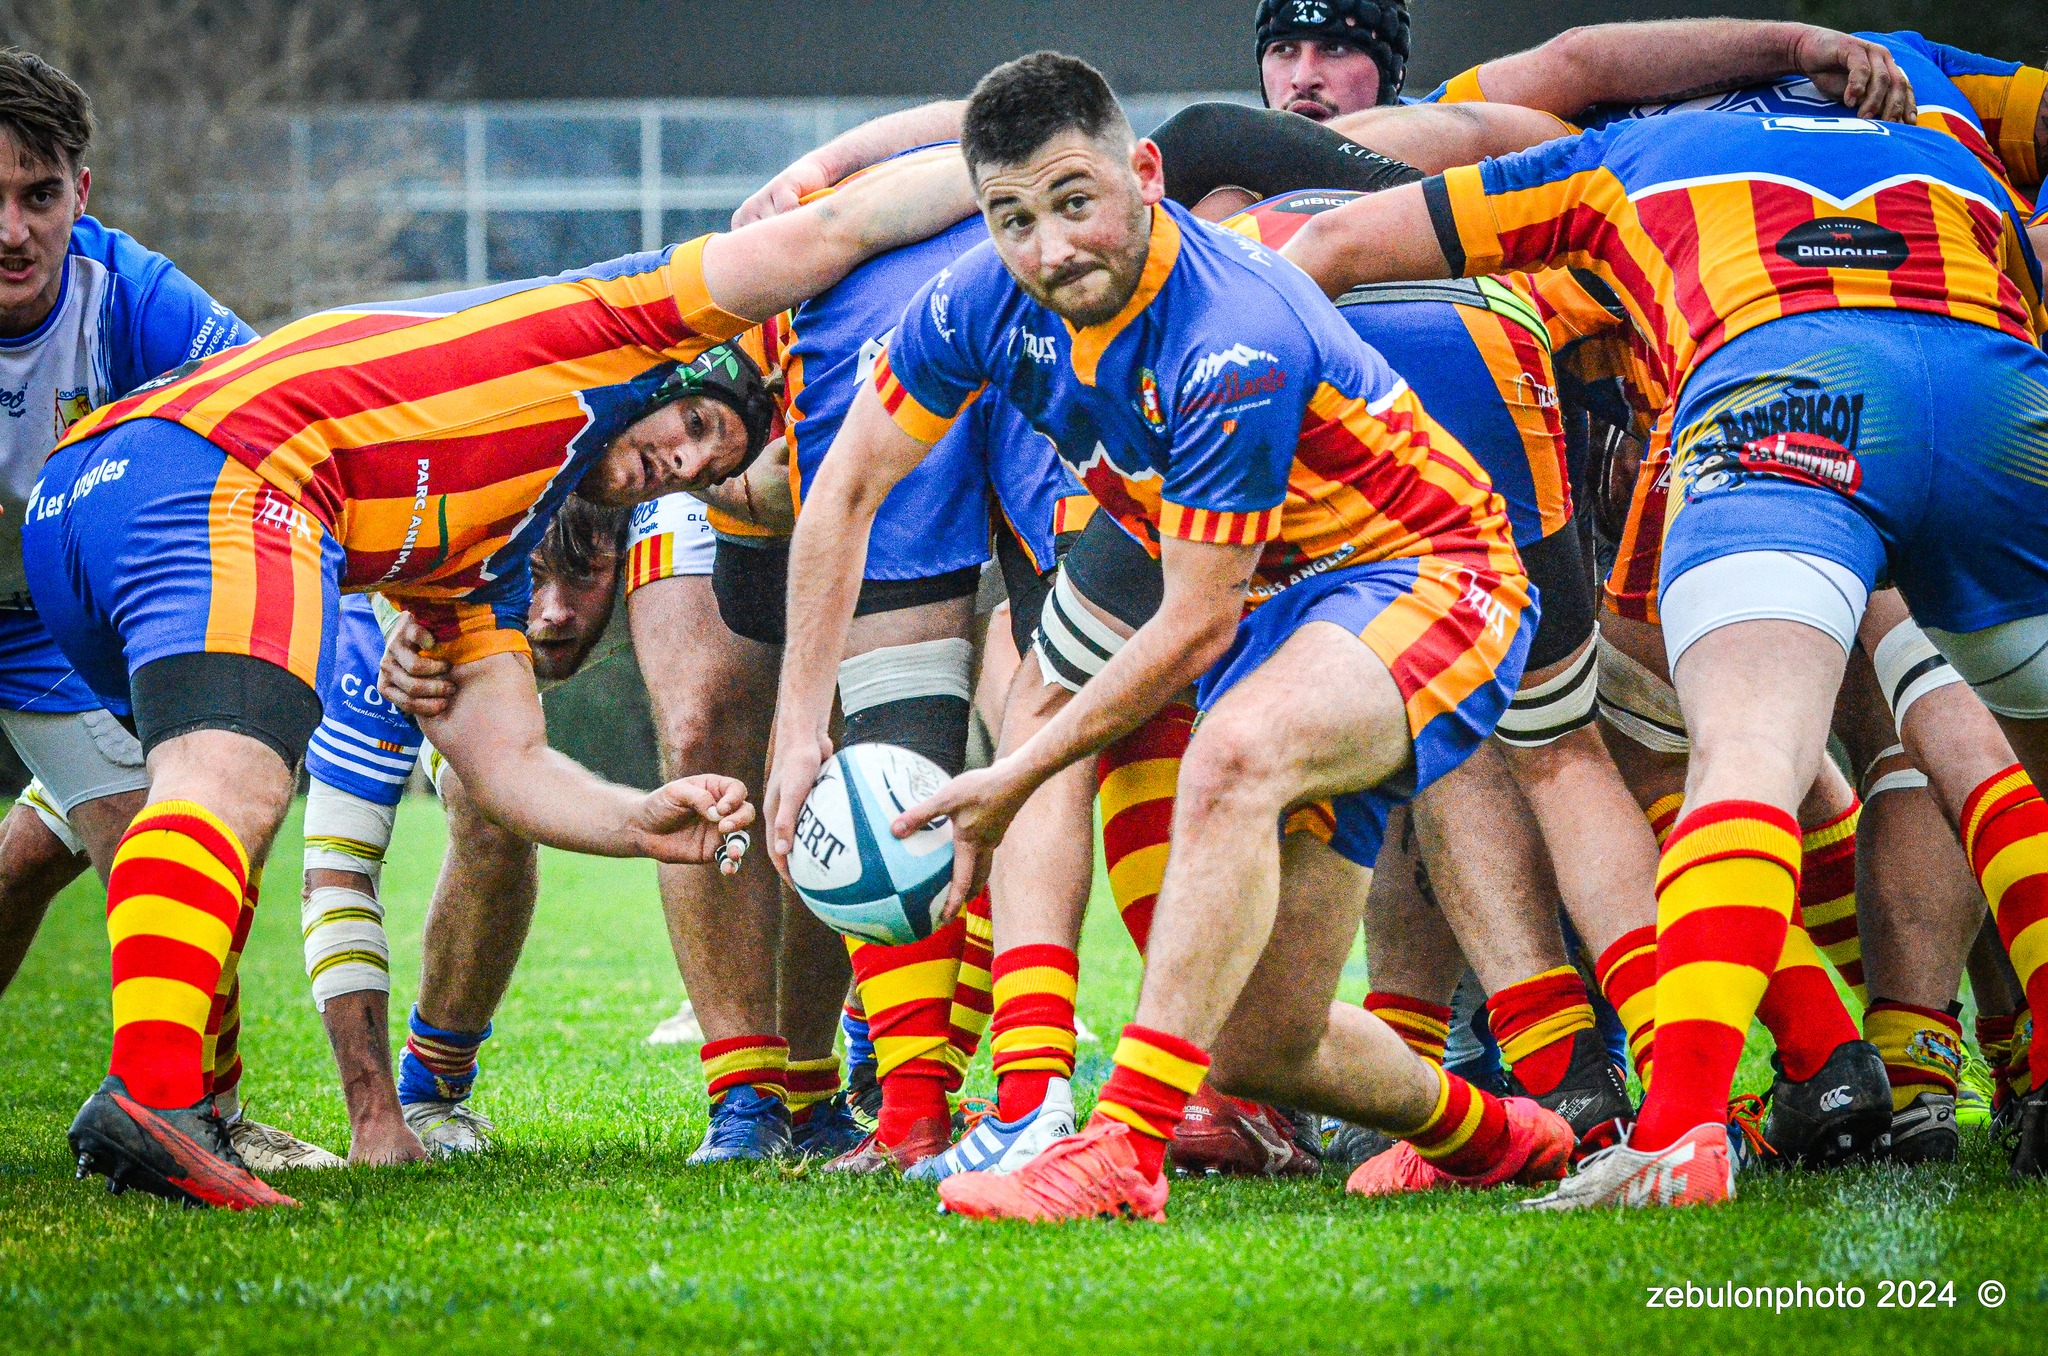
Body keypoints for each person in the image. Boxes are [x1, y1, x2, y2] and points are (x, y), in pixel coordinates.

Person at [25, 150, 979, 1209]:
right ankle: (157, 1100)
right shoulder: (613, 322)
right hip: (222, 470)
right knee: (229, 790)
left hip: (78, 510)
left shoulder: (481, 564)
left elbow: (509, 767)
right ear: (676, 375)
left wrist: (637, 821)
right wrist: (1003, 171)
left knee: (195, 816)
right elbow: (840, 226)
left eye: (710, 471)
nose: (685, 464)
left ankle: (184, 1102)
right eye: (697, 428)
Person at [766, 52, 1574, 1223]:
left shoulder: (1227, 333)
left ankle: (1118, 1150)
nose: (1049, 248)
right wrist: (798, 730)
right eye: (1012, 219)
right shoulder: (975, 302)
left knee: (1228, 751)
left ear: (1145, 173)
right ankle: (1504, 1140)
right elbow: (841, 494)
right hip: (1283, 611)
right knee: (1262, 1042)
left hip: (1429, 576)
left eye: (1074, 201)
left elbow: (1194, 623)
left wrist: (1012, 776)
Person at [1284, 97, 2048, 1199]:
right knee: (1985, 757)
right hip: (1999, 397)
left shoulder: (1621, 153)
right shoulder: (1948, 145)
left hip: (1782, 394)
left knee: (1740, 758)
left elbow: (1337, 237)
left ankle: (1680, 1129)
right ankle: (1964, 1058)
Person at [0, 48, 341, 1171]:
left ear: (81, 192)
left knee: (163, 833)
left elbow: (270, 415)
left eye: (38, 194)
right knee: (74, 849)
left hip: (53, 620)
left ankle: (200, 1115)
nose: (12, 230)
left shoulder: (136, 298)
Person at [297, 495, 639, 1164]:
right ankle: (381, 1108)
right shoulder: (411, 618)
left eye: (583, 575)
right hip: (395, 609)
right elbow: (337, 872)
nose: (554, 612)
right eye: (533, 577)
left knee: (498, 804)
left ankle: (433, 1091)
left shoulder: (666, 541)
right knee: (344, 847)